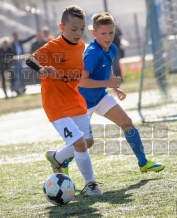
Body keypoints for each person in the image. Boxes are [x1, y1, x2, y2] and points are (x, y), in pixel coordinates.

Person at [61, 12, 165, 175]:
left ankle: (144, 163)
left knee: (127, 122)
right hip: (83, 103)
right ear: (94, 33)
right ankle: (62, 162)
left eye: (111, 32)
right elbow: (82, 81)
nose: (108, 37)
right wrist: (108, 83)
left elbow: (107, 66)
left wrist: (114, 88)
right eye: (103, 33)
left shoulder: (112, 48)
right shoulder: (92, 53)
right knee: (84, 142)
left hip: (101, 97)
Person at [25, 5, 110, 196]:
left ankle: (57, 157)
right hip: (56, 104)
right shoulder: (53, 47)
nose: (78, 33)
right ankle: (91, 184)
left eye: (81, 29)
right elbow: (30, 59)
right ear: (61, 27)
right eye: (74, 29)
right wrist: (42, 69)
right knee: (79, 143)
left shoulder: (83, 48)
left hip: (75, 100)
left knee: (88, 142)